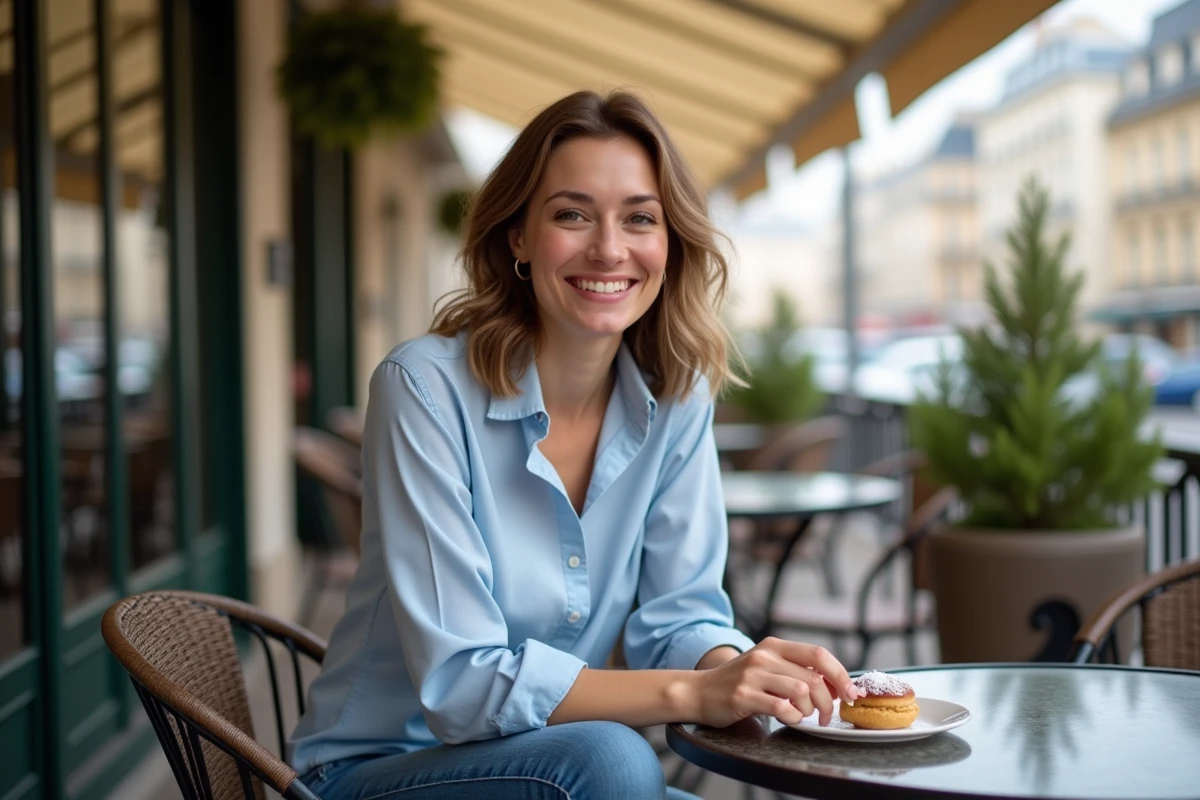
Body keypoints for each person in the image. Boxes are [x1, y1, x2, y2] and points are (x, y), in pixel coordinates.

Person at [289, 90, 860, 800]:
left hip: (554, 770)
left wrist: (740, 674)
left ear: (669, 242)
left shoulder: (676, 398)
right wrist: (694, 694)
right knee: (613, 763)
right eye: (572, 214)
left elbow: (679, 614)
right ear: (519, 237)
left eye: (640, 219)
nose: (609, 248)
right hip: (374, 775)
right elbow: (461, 686)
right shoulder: (424, 389)